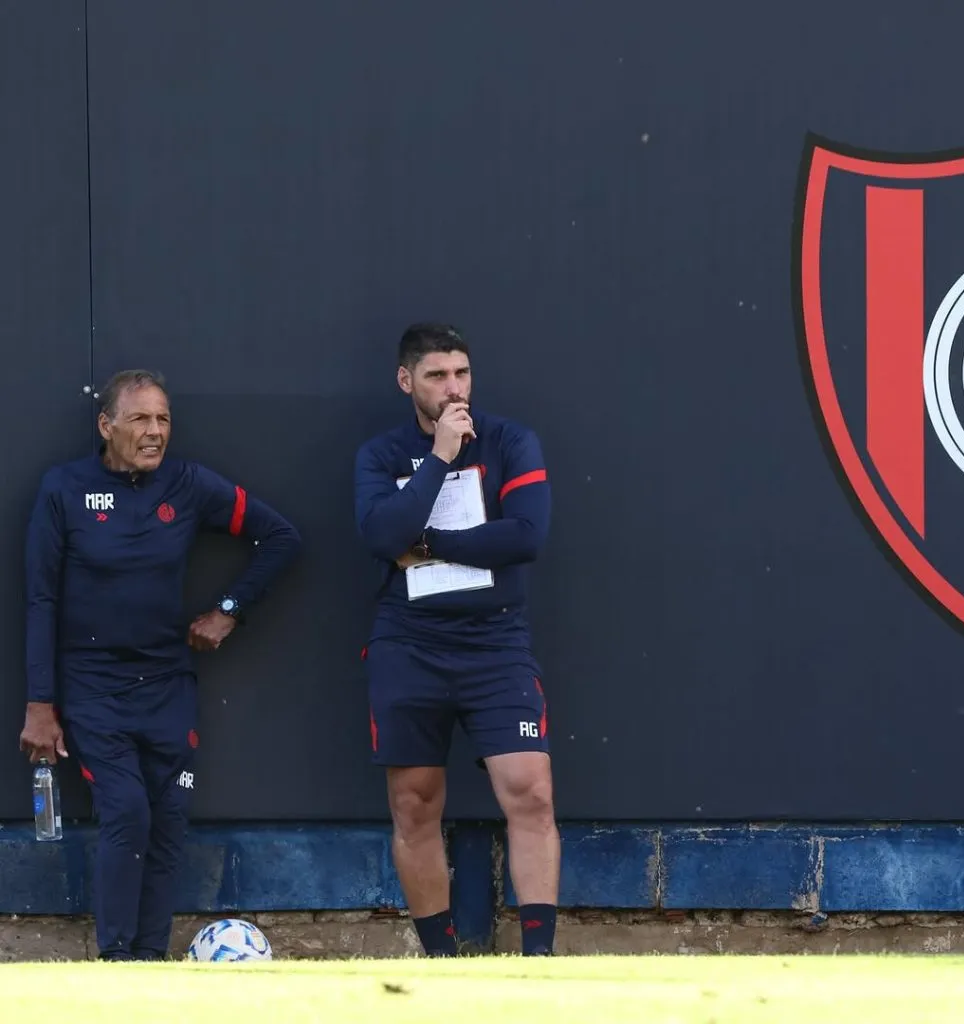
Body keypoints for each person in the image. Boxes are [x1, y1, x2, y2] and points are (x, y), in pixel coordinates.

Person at [19, 369, 301, 961]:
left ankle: (149, 961)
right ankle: (117, 958)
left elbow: (280, 537)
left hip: (167, 684)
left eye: (164, 419)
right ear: (106, 425)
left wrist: (229, 610)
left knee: (170, 817)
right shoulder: (64, 489)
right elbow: (41, 599)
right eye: (141, 419)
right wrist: (40, 704)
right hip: (93, 688)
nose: (155, 432)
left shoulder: (189, 484)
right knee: (126, 810)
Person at [354, 323, 560, 957]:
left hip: (494, 643)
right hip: (409, 644)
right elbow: (383, 536)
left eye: (462, 374)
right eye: (438, 376)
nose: (453, 388)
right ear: (406, 381)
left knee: (530, 788)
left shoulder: (509, 442)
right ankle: (442, 962)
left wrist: (434, 545)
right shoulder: (382, 455)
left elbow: (524, 537)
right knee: (414, 803)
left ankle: (539, 960)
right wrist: (441, 457)